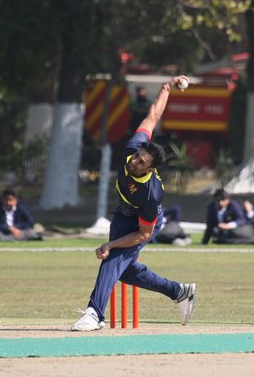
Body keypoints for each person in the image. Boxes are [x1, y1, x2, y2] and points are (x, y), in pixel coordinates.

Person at [71, 75, 197, 332]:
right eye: (137, 156)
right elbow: (152, 117)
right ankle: (179, 291)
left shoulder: (151, 193)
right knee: (124, 270)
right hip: (123, 213)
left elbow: (144, 234)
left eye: (141, 162)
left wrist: (112, 243)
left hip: (144, 223)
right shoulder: (133, 148)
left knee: (113, 258)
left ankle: (95, 313)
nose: (134, 161)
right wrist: (166, 88)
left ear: (150, 168)